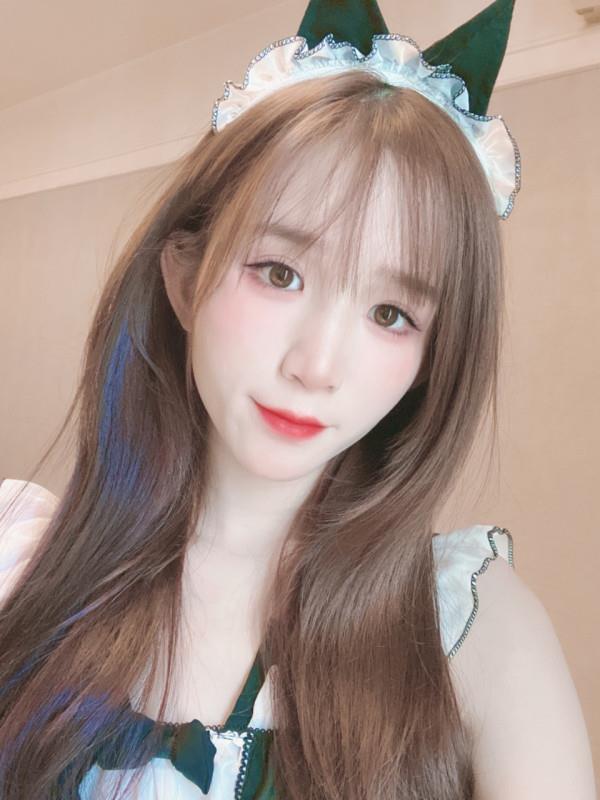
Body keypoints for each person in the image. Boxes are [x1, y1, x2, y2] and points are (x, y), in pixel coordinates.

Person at [0, 0, 596, 798]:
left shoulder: (474, 629)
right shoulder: (21, 559)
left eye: (391, 314)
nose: (317, 366)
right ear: (184, 277)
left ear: (432, 358)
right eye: (280, 273)